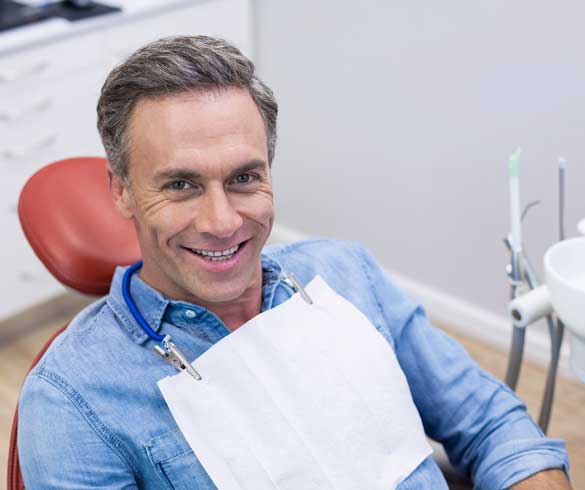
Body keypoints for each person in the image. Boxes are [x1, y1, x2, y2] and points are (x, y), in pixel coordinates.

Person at [18, 35, 571, 489]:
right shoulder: (74, 400)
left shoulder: (345, 273)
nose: (222, 221)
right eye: (181, 184)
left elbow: (494, 424)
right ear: (121, 192)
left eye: (244, 179)